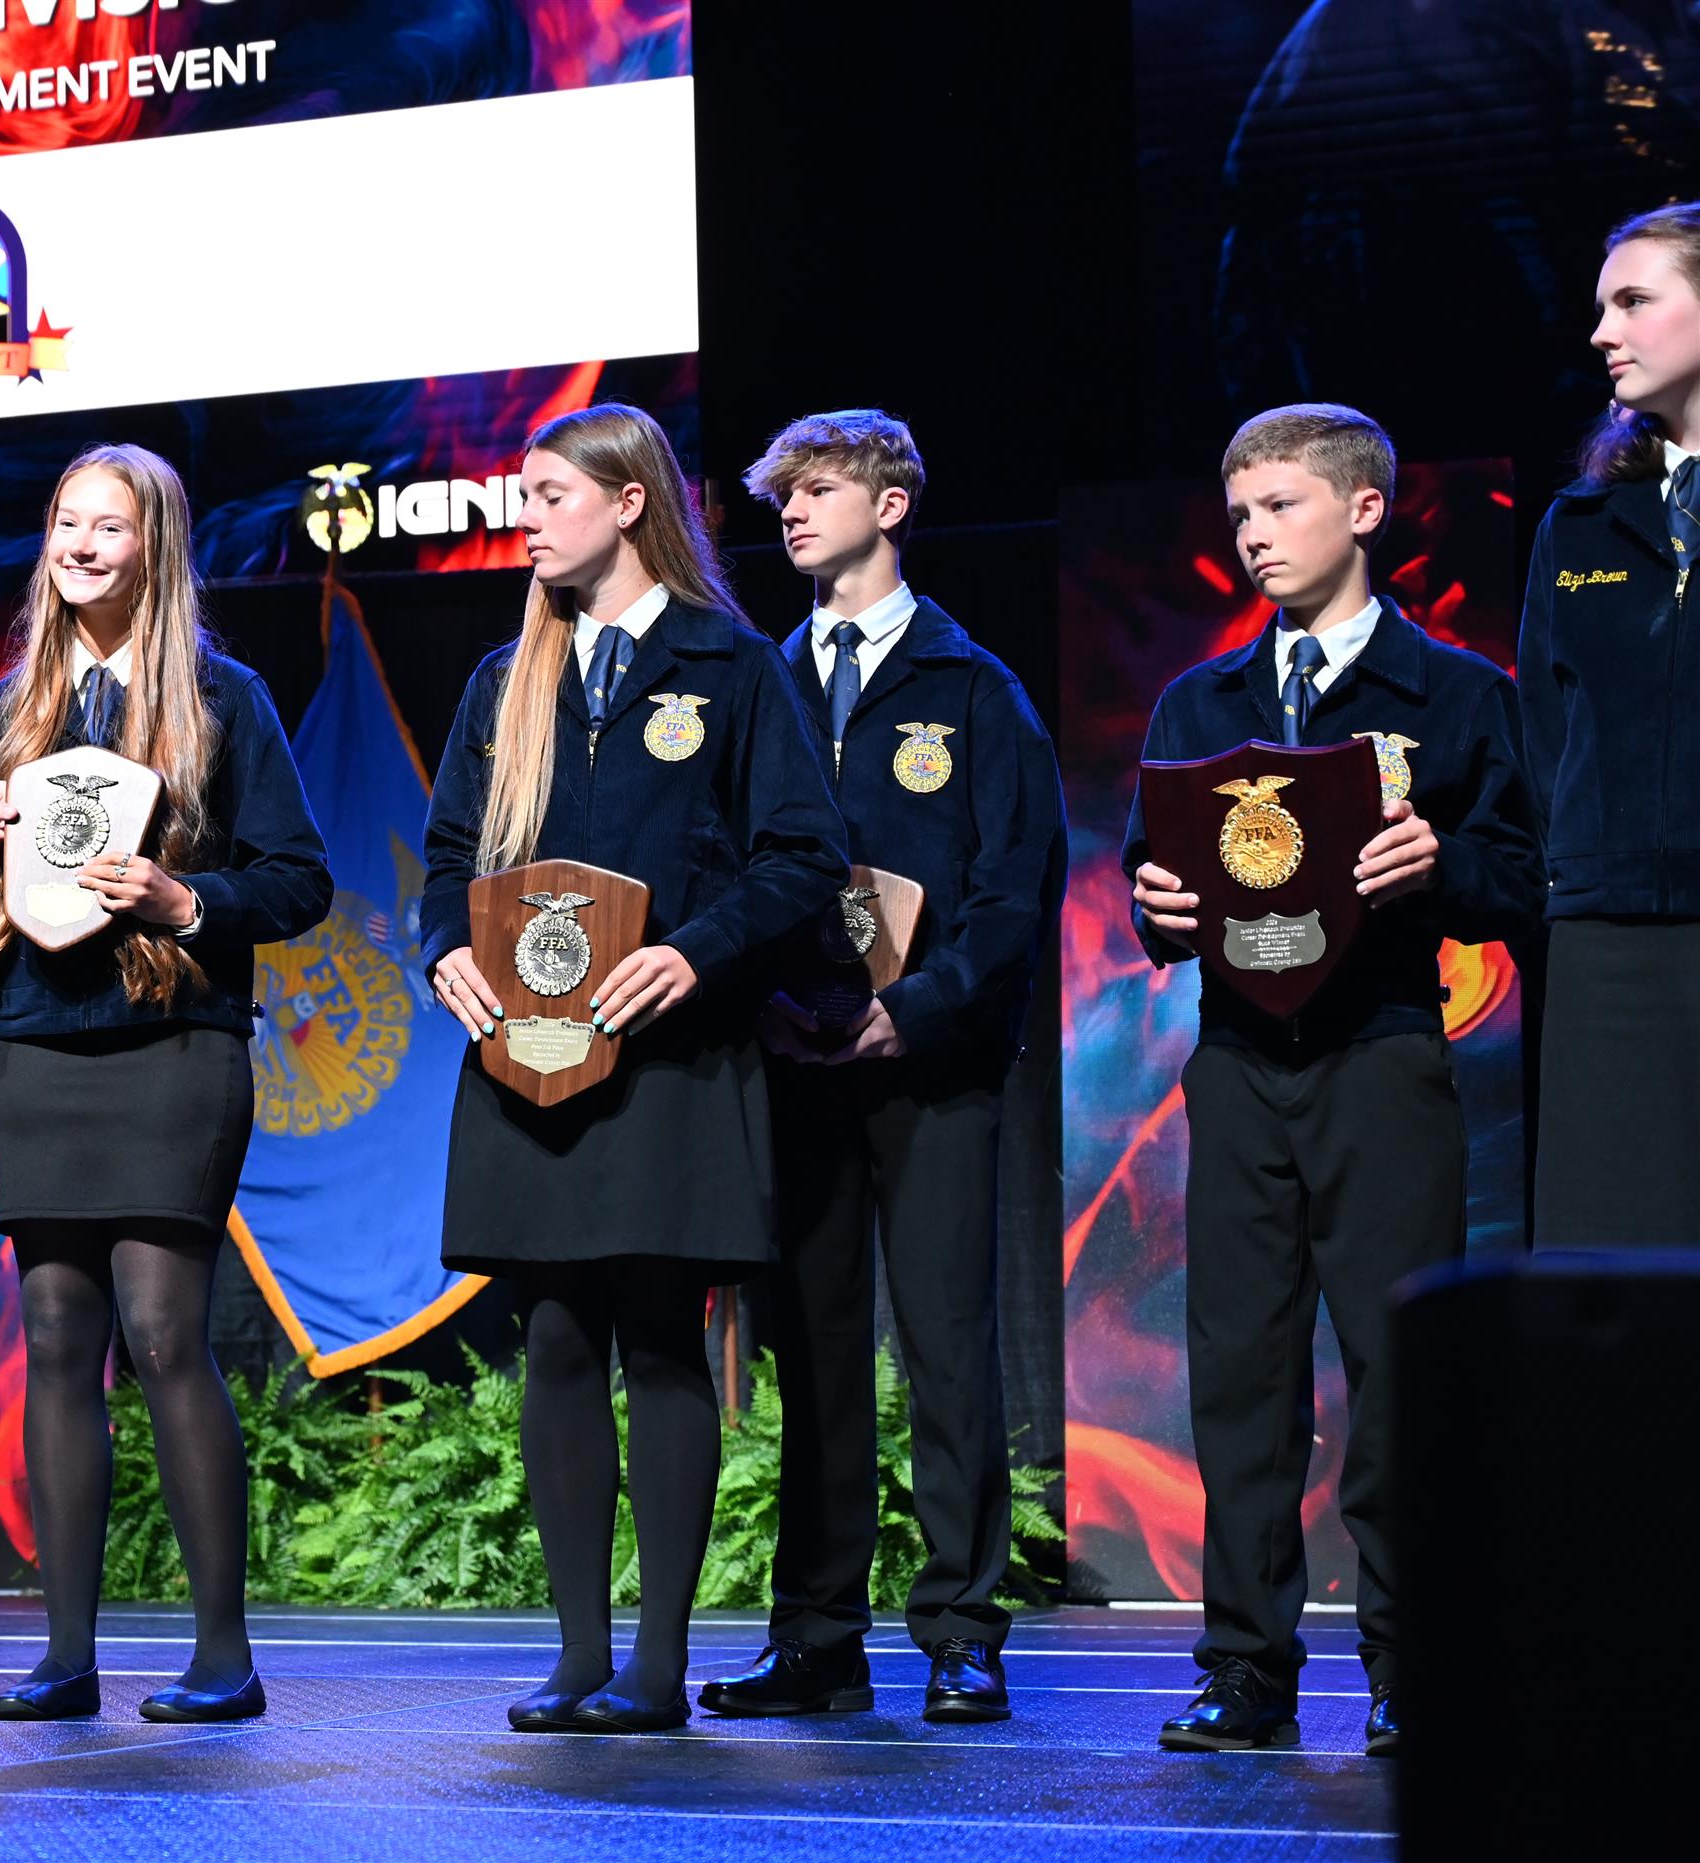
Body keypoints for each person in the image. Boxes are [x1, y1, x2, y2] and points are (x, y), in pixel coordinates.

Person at [420, 403, 850, 1735]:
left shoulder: (730, 665)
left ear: (626, 502)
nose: (528, 519)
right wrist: (445, 953)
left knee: (661, 1336)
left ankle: (656, 1666)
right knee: (554, 1335)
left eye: (550, 494)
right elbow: (448, 862)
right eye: (525, 496)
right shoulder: (507, 678)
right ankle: (576, 1656)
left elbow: (804, 856)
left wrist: (693, 954)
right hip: (526, 1054)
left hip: (672, 1053)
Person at [1123, 404, 1543, 1758]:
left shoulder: (1456, 694)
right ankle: (1246, 1669)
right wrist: (1156, 907)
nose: (1254, 534)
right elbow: (1149, 878)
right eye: (1240, 512)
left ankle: (1416, 1665)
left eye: (1282, 505)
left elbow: (1525, 878)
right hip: (1239, 1062)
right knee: (1240, 1376)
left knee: (1400, 1368)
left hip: (1382, 1055)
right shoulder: (1202, 702)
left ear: (1365, 509)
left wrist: (1445, 868)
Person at [0, 444, 331, 1724]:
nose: (81, 546)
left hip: (170, 1048)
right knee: (53, 1340)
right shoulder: (11, 709)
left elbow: (298, 881)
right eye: (65, 523)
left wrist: (181, 898)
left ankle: (223, 1657)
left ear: (155, 545)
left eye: (108, 526)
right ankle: (66, 1657)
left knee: (161, 1337)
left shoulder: (222, 699)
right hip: (33, 1046)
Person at [701, 411, 1065, 1727]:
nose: (792, 512)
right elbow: (724, 869)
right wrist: (766, 1001)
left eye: (817, 488)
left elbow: (1016, 888)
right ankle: (817, 1637)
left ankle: (963, 1630)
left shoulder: (972, 687)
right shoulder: (761, 683)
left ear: (891, 502)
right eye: (780, 496)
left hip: (929, 1068)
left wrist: (914, 1009)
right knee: (814, 1354)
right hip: (797, 1059)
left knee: (950, 1349)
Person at [1518, 203, 1700, 1247]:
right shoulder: (1578, 525)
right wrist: (1577, 867)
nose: (1601, 332)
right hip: (1607, 935)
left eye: (1633, 301)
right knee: (1615, 1251)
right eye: (1600, 306)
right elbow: (1547, 731)